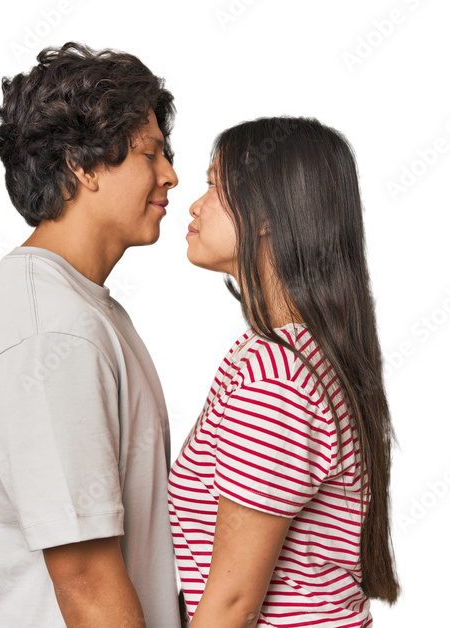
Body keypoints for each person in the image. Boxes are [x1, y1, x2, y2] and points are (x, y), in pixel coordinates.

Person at [0, 41, 182, 627]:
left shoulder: (77, 310)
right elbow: (87, 586)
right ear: (81, 164)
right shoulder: (49, 330)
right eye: (150, 154)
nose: (170, 176)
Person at [168, 117, 401, 627]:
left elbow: (234, 604)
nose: (194, 205)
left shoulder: (275, 377)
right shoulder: (294, 353)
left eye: (214, 187)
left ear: (267, 215)